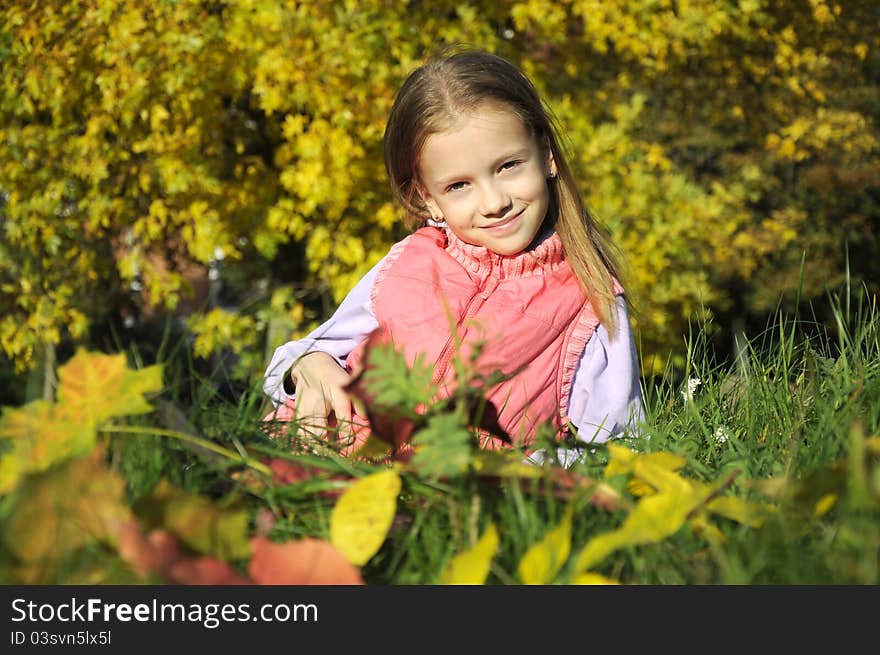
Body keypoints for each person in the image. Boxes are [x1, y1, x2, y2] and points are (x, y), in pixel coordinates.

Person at [263, 49, 644, 466]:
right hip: (312, 467)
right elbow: (297, 361)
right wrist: (310, 362)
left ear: (546, 155)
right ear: (430, 199)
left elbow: (617, 448)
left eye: (509, 166)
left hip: (446, 507)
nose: (494, 202)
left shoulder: (588, 299)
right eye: (460, 185)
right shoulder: (409, 263)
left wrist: (513, 475)